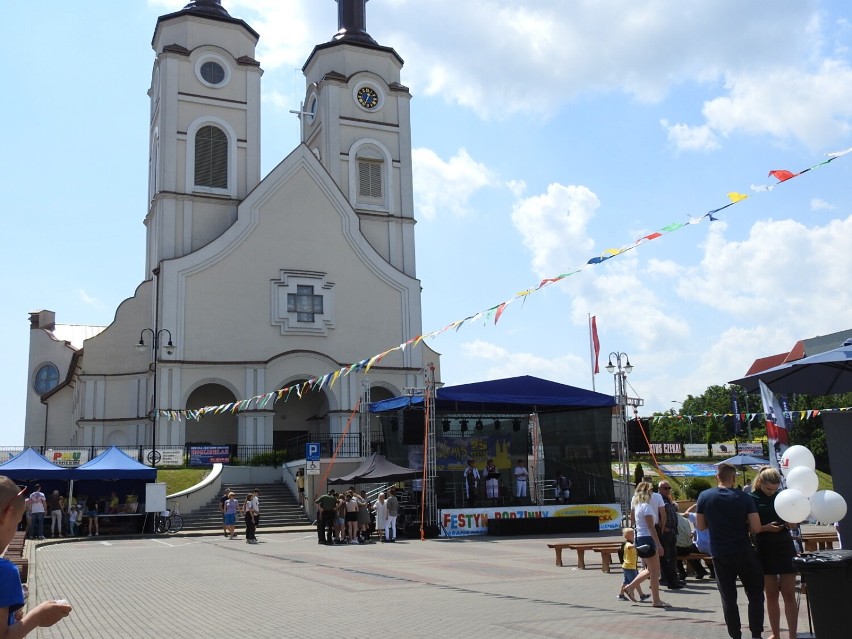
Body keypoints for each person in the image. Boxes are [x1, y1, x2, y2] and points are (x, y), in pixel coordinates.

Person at [697, 462, 775, 639]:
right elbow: (755, 527)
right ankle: (756, 634)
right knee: (755, 594)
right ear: (734, 478)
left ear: (717, 476)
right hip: (743, 550)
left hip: (719, 552)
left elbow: (701, 526)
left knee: (728, 598)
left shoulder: (704, 496)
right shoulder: (744, 498)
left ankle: (735, 635)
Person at [1, 475, 73, 636]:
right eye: (17, 523)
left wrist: (10, 617)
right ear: (8, 515)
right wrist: (37, 617)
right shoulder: (4, 571)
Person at [751, 467, 798, 639]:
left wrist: (792, 522)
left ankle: (793, 635)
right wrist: (766, 528)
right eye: (768, 489)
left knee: (789, 594)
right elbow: (750, 527)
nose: (772, 492)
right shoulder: (752, 498)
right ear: (760, 483)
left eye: (775, 489)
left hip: (785, 546)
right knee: (771, 595)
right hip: (764, 547)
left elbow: (794, 522)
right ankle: (775, 634)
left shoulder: (782, 496)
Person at [623, 481, 669, 608]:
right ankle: (656, 600)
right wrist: (658, 544)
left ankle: (630, 587)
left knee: (650, 569)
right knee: (655, 571)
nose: (652, 493)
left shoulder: (638, 506)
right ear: (647, 492)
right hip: (648, 538)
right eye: (650, 491)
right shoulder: (646, 507)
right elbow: (651, 527)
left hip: (641, 538)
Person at [657, 481, 685, 589]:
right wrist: (664, 527)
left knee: (673, 557)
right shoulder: (658, 499)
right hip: (666, 532)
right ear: (660, 488)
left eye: (669, 488)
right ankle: (666, 579)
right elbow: (658, 515)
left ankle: (674, 579)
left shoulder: (668, 499)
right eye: (666, 488)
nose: (668, 490)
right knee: (666, 557)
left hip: (673, 531)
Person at [617, 527, 648, 602]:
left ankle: (621, 595)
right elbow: (630, 547)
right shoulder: (627, 543)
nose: (634, 536)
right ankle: (640, 595)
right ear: (628, 536)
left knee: (626, 581)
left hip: (630, 566)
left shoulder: (631, 543)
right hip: (629, 566)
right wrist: (638, 546)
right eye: (632, 534)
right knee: (635, 581)